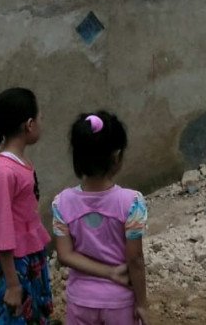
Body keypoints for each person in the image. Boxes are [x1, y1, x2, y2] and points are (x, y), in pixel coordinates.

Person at [52, 111, 150, 325]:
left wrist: (109, 272)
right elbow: (135, 259)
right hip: (119, 302)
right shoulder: (132, 203)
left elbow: (64, 255)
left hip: (80, 301)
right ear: (116, 157)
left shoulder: (61, 203)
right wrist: (142, 303)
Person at [0, 88, 56, 324]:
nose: (42, 122)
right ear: (29, 124)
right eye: (40, 117)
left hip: (26, 258)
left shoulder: (16, 163)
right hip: (13, 265)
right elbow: (2, 228)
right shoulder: (4, 171)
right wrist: (11, 284)